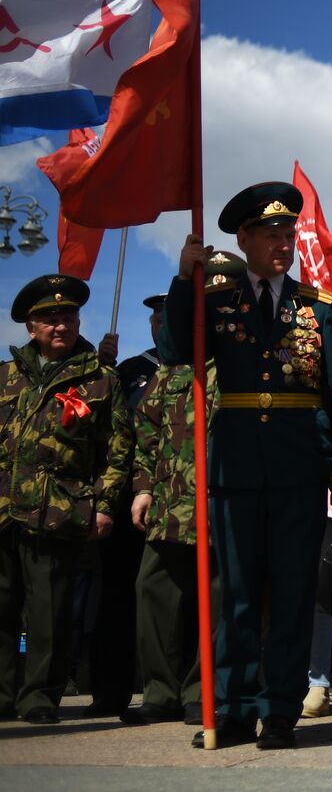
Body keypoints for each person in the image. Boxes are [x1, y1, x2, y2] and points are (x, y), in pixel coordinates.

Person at [160, 182, 332, 750]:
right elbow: (177, 351)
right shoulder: (216, 301)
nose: (281, 242)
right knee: (239, 596)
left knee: (295, 593)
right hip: (238, 466)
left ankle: (279, 712)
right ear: (243, 239)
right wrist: (183, 279)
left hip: (299, 466)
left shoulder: (317, 306)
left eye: (287, 233)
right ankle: (232, 707)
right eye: (268, 233)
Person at [0, 275, 132, 724]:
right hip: (3, 509)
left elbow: (119, 451)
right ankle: (3, 693)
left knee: (49, 612)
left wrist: (104, 504)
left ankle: (39, 696)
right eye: (50, 319)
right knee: (2, 607)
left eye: (68, 318)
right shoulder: (6, 376)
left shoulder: (100, 380)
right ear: (31, 328)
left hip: (57, 509)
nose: (61, 326)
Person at [127, 255, 242, 726]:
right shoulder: (175, 365)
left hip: (223, 501)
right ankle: (159, 690)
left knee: (215, 599)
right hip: (171, 504)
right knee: (153, 592)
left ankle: (200, 689)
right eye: (205, 299)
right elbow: (146, 436)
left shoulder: (242, 360)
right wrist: (142, 489)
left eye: (221, 298)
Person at [86, 294, 169, 719]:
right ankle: (109, 691)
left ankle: (168, 690)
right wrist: (101, 367)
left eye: (167, 313)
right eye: (155, 315)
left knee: (164, 596)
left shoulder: (194, 364)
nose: (159, 320)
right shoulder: (131, 370)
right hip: (124, 498)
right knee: (117, 598)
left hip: (174, 495)